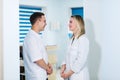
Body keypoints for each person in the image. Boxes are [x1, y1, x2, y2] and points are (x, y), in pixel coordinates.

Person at [23, 12, 53, 80]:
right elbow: (37, 59)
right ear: (37, 21)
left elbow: (41, 55)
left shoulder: (36, 36)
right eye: (44, 21)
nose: (46, 24)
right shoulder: (31, 38)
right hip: (36, 76)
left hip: (42, 75)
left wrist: (48, 64)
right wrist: (48, 69)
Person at [60, 15, 89, 80]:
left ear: (78, 24)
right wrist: (63, 67)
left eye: (70, 22)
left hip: (79, 76)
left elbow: (81, 60)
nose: (68, 24)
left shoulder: (83, 39)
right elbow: (67, 56)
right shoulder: (72, 39)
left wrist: (68, 73)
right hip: (70, 75)